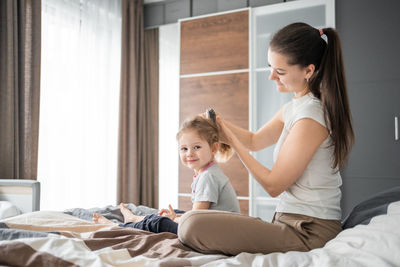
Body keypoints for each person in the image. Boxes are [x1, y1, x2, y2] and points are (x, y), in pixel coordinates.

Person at [178, 22, 355, 256]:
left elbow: (274, 185)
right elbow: (254, 140)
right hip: (288, 222)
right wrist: (220, 124)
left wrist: (230, 138)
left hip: (309, 232)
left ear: (308, 71)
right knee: (191, 219)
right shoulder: (294, 108)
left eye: (280, 72)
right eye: (270, 67)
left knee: (192, 224)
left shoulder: (311, 117)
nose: (272, 76)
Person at [93, 115, 240, 234]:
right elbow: (200, 214)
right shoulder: (207, 172)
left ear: (214, 148)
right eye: (184, 149)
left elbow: (196, 219)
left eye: (196, 147)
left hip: (212, 235)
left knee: (160, 222)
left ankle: (117, 227)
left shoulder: (208, 177)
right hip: (211, 228)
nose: (190, 153)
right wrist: (175, 216)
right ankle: (135, 218)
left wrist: (174, 219)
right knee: (174, 213)